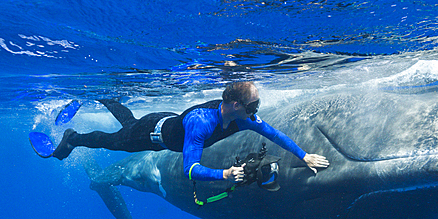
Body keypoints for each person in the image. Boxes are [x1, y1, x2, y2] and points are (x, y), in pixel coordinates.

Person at [42, 82, 329, 183]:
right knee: (114, 141)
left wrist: (303, 156)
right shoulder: (201, 124)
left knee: (128, 121)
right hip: (151, 134)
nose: (257, 111)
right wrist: (225, 174)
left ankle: (106, 96)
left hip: (164, 122)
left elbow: (274, 134)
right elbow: (190, 170)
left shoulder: (243, 118)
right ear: (234, 104)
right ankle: (73, 138)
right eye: (253, 105)